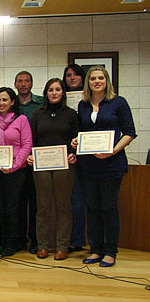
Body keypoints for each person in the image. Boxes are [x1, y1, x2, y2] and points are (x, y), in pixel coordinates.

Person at [72, 66, 136, 267]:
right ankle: (96, 249)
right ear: (88, 82)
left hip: (112, 164)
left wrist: (113, 150)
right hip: (88, 165)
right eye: (93, 79)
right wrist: (76, 141)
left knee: (108, 207)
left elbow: (130, 132)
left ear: (107, 80)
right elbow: (82, 132)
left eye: (101, 78)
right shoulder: (83, 105)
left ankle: (110, 251)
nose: (97, 81)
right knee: (92, 207)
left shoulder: (118, 102)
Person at [27, 78, 80, 260]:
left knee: (63, 206)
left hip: (64, 165)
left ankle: (62, 246)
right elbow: (32, 140)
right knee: (43, 207)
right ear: (46, 93)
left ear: (63, 92)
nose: (54, 93)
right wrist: (31, 155)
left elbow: (76, 138)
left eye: (58, 89)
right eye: (51, 90)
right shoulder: (37, 114)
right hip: (41, 165)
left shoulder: (71, 114)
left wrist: (73, 153)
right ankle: (43, 246)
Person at [0, 87, 32, 257]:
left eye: (5, 100)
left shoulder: (21, 119)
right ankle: (1, 242)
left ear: (12, 102)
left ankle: (14, 242)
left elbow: (26, 145)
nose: (1, 103)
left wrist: (14, 165)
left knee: (13, 207)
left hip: (15, 171)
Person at [14, 71, 43, 254]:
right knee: (18, 202)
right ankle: (18, 240)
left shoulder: (41, 103)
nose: (23, 84)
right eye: (20, 81)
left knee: (35, 202)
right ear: (15, 84)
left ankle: (35, 241)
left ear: (32, 83)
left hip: (38, 159)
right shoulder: (10, 103)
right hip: (16, 162)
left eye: (27, 81)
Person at [63, 64, 88, 252]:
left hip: (91, 156)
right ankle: (73, 240)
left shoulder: (89, 102)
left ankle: (86, 241)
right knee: (74, 201)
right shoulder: (63, 105)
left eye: (76, 75)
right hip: (68, 157)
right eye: (68, 75)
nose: (72, 78)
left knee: (88, 202)